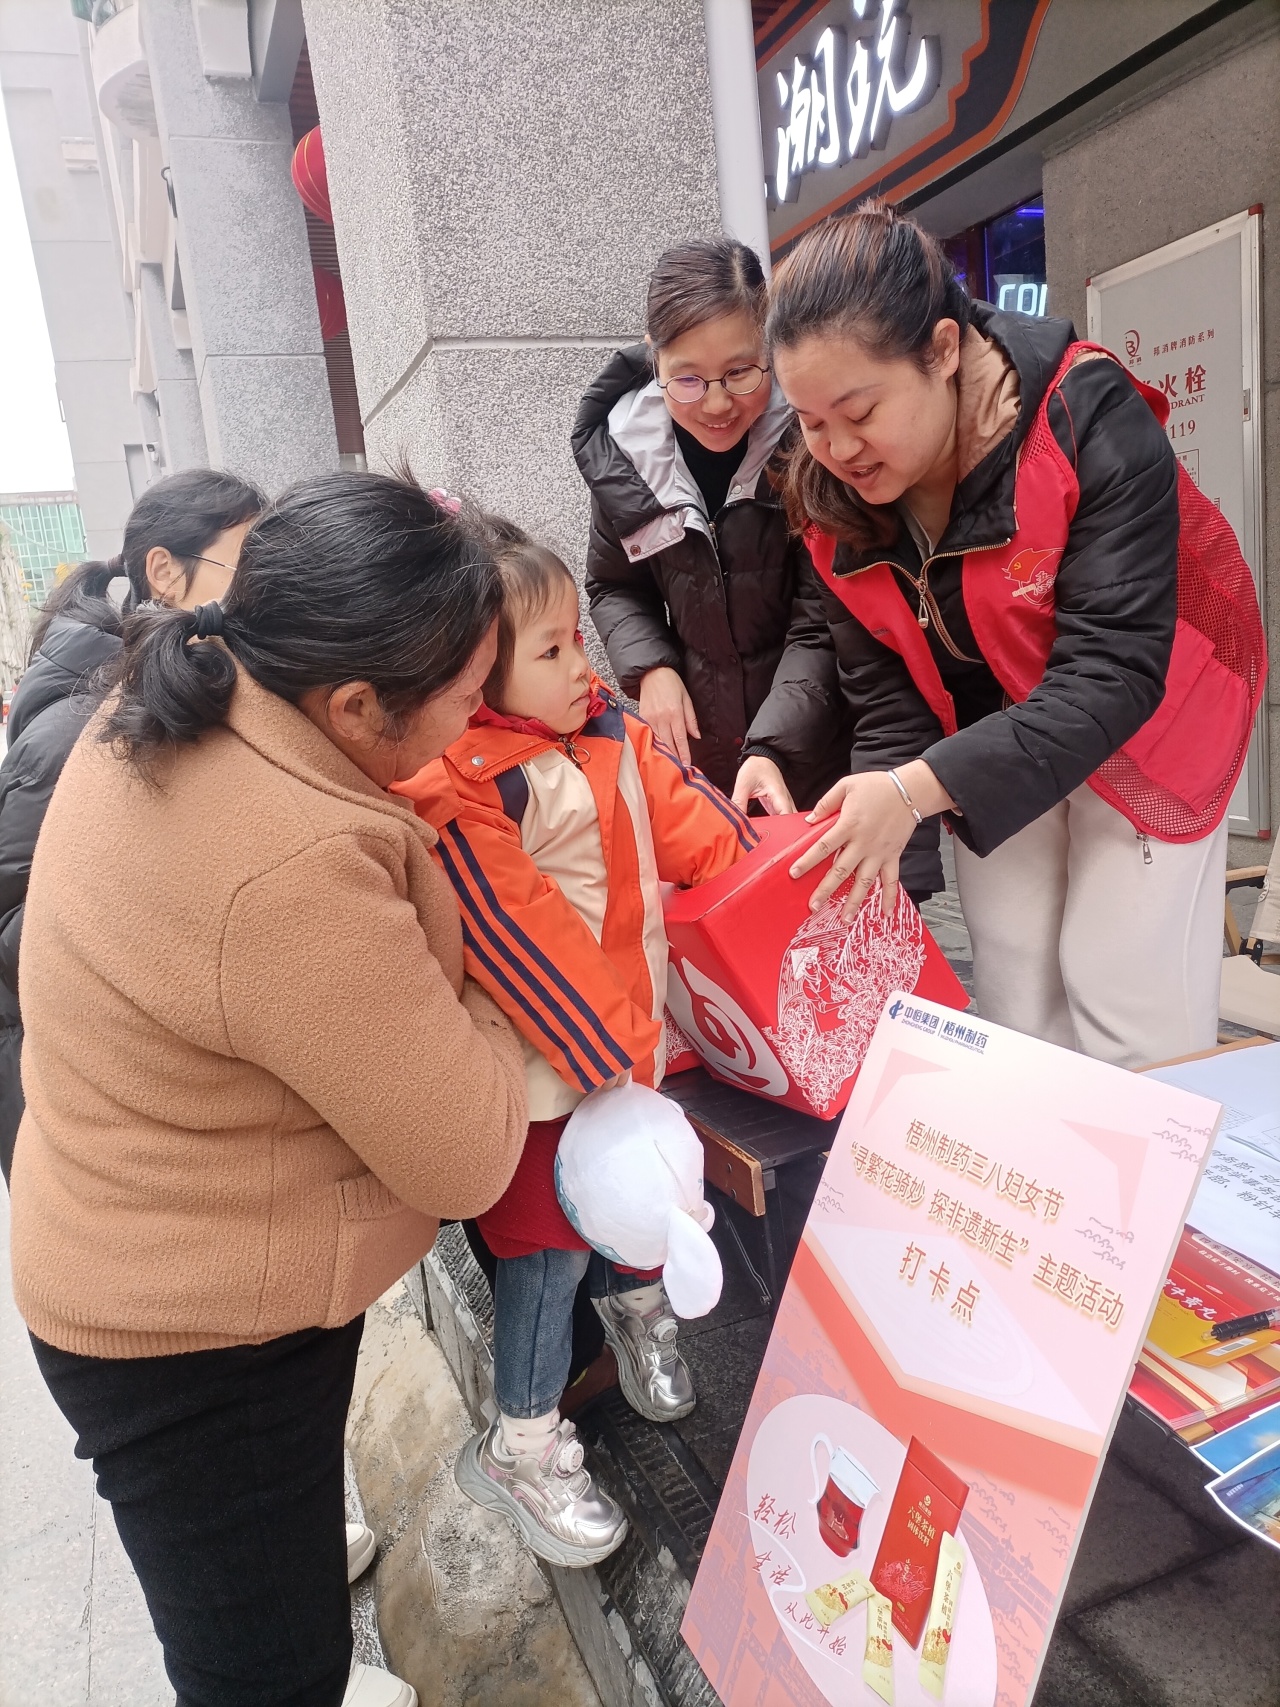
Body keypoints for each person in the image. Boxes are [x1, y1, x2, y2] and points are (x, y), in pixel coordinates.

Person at [8, 472, 530, 1707]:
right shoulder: (289, 867)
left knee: (264, 1593)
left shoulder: (182, 688)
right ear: (354, 705)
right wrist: (507, 993)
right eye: (468, 695)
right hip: (192, 1339)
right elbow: (467, 1156)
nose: (483, 715)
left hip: (148, 1248)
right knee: (262, 1675)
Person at [739, 201, 1265, 1069]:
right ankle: (1039, 1155)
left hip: (1153, 708)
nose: (834, 448)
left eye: (858, 410)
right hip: (991, 724)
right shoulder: (829, 502)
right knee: (1014, 974)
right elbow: (891, 696)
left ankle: (1157, 1156)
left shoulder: (1083, 415)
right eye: (808, 419)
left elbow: (1114, 671)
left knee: (1120, 982)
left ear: (943, 350)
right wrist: (885, 849)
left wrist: (912, 790)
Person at [396, 526, 758, 1568]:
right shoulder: (462, 781)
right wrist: (609, 1048)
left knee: (637, 1205)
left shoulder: (607, 731)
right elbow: (518, 929)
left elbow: (688, 819)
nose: (579, 667)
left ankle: (641, 1318)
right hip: (541, 1069)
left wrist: (758, 859)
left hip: (620, 1050)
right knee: (546, 1252)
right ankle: (521, 1439)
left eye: (576, 641)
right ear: (477, 670)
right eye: (549, 650)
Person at [0, 468, 264, 1187]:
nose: (263, 593)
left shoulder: (184, 693)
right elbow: (16, 928)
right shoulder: (81, 728)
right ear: (165, 573)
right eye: (248, 565)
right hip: (89, 1108)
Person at [572, 237, 848, 810]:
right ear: (655, 358)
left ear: (769, 344)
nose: (717, 404)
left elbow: (823, 619)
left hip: (819, 742)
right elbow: (614, 585)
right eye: (688, 378)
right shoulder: (629, 457)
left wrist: (771, 745)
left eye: (740, 372)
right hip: (703, 750)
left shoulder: (810, 443)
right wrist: (651, 668)